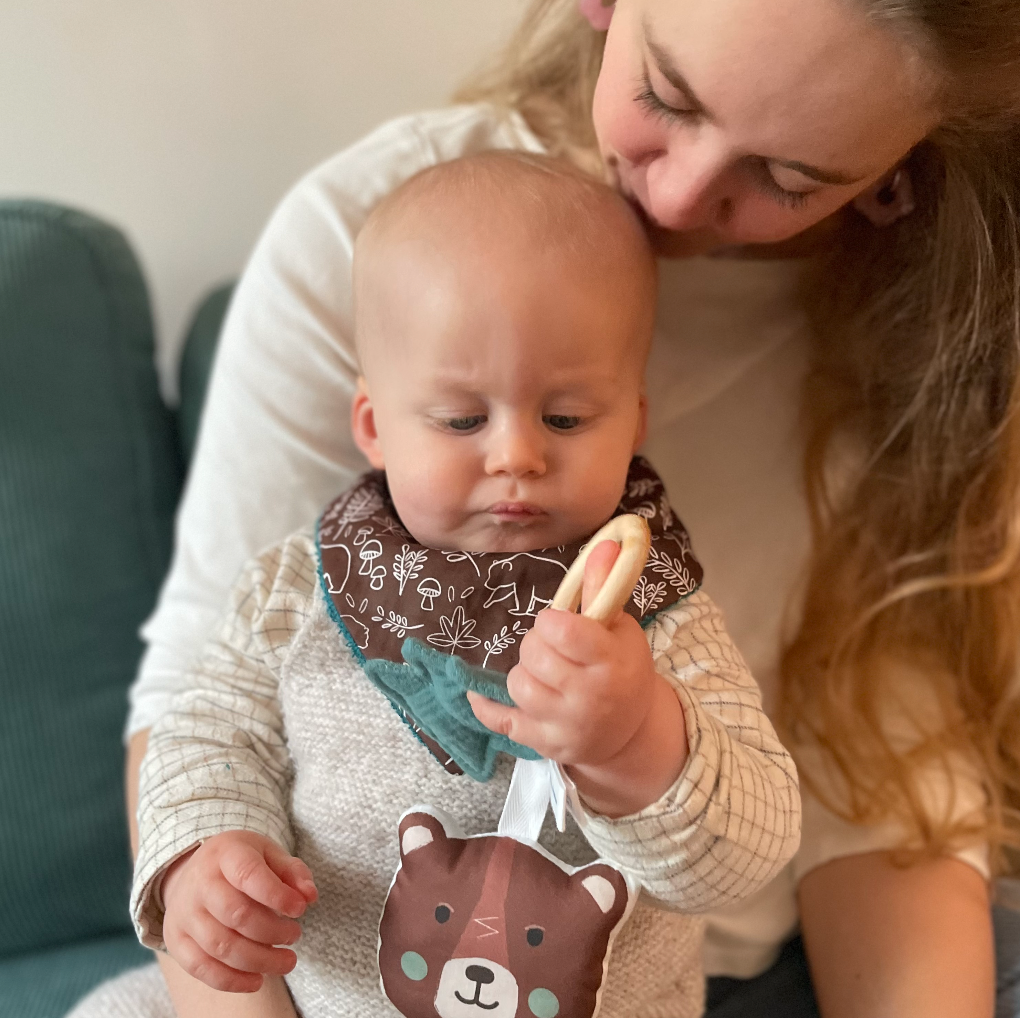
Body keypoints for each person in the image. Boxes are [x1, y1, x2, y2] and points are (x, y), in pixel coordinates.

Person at [72, 0, 1020, 1015]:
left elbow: (870, 787)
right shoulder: (371, 258)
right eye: (665, 96)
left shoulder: (659, 605)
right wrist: (203, 872)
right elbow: (203, 714)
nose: (679, 195)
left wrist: (641, 747)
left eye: (789, 178)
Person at [123, 151, 800, 1018]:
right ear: (374, 424)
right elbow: (208, 735)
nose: (516, 454)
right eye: (462, 420)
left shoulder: (651, 610)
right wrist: (207, 854)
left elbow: (748, 853)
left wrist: (637, 745)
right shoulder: (298, 590)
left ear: (634, 420)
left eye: (564, 417)